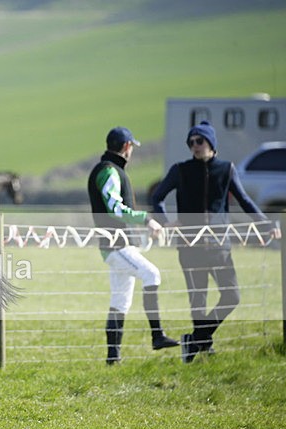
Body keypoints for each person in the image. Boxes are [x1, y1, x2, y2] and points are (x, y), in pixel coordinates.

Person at [151, 121, 280, 363]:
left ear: (211, 143)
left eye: (199, 141)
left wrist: (266, 223)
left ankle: (197, 339)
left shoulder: (227, 169)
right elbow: (157, 197)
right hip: (190, 247)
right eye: (191, 142)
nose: (195, 146)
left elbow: (245, 201)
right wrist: (165, 222)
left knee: (232, 296)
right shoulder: (180, 170)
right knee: (197, 300)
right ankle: (202, 343)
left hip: (220, 247)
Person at [88, 126, 179, 365]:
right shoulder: (109, 171)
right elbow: (115, 209)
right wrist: (147, 219)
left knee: (120, 302)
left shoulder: (111, 169)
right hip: (116, 246)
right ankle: (157, 335)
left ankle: (113, 358)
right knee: (152, 274)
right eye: (132, 147)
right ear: (127, 146)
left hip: (118, 246)